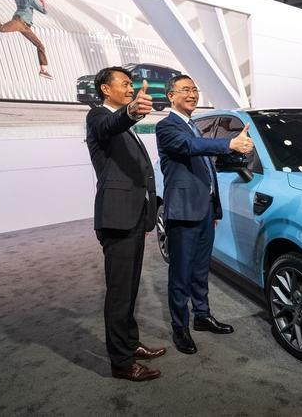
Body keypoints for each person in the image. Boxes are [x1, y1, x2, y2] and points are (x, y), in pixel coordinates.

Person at [156, 75, 254, 355]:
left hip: (204, 210)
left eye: (194, 89)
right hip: (184, 211)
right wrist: (229, 144)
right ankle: (180, 327)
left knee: (200, 270)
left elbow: (207, 170)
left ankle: (202, 315)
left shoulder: (193, 126)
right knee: (181, 273)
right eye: (185, 89)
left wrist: (215, 208)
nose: (192, 94)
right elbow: (188, 148)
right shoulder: (167, 126)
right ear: (171, 95)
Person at [86, 67, 165, 381]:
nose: (131, 88)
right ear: (106, 89)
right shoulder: (98, 116)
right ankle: (121, 363)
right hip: (116, 218)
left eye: (132, 84)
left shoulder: (121, 123)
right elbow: (110, 124)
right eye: (125, 83)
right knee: (119, 293)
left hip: (132, 216)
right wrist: (130, 112)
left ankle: (130, 345)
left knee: (130, 288)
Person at [0, 0, 53, 79]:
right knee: (2, 28)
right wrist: (43, 1)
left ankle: (43, 70)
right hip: (20, 22)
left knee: (40, 45)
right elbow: (44, 11)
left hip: (25, 26)